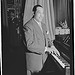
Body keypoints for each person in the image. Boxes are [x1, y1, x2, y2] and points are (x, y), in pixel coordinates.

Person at [23, 5, 60, 75]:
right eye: (39, 12)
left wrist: (52, 46)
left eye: (42, 13)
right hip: (34, 62)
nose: (41, 15)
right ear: (33, 13)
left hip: (44, 60)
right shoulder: (28, 26)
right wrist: (46, 49)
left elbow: (47, 39)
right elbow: (30, 45)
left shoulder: (43, 25)